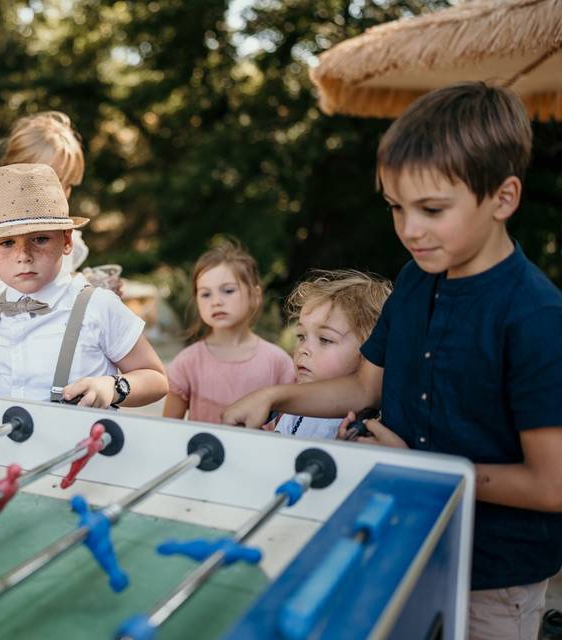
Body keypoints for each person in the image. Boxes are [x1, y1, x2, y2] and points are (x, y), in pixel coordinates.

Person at [222, 82, 562, 639]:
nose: (409, 229)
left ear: (503, 197)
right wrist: (274, 395)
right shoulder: (414, 279)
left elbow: (551, 484)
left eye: (431, 209)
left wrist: (426, 468)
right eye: (397, 208)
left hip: (491, 572)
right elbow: (362, 387)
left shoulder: (534, 317)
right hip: (400, 535)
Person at [0, 163, 167, 409]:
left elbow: (155, 378)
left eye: (40, 239)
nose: (23, 255)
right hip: (4, 444)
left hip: (82, 445)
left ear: (66, 240)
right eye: (7, 243)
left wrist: (113, 387)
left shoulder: (97, 305)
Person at [0, 111, 88, 320]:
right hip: (0, 344)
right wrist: (27, 289)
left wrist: (89, 290)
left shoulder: (60, 227)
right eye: (51, 179)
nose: (64, 192)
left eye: (68, 183)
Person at [163, 242, 295, 424]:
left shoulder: (278, 362)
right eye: (206, 294)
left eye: (228, 291)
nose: (216, 301)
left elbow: (290, 430)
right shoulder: (187, 362)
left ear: (255, 296)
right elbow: (168, 429)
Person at [271, 270, 391, 439]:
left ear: (370, 351)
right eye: (301, 336)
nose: (303, 349)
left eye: (325, 339)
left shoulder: (364, 426)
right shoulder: (297, 407)